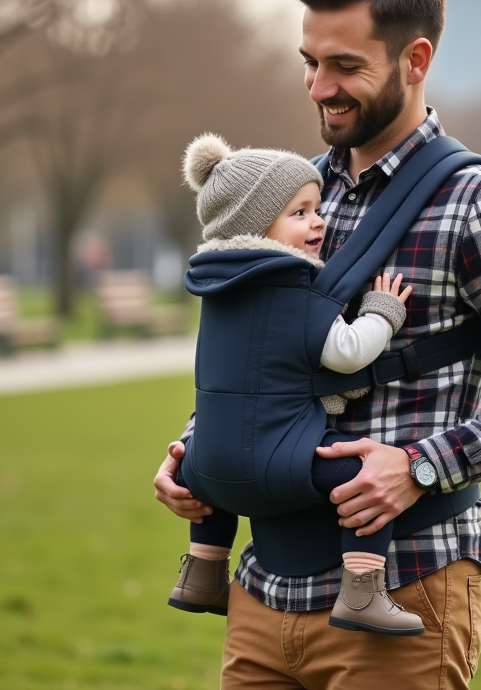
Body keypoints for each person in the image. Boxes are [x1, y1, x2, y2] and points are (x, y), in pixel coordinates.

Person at [153, 0, 481, 688]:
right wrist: (196, 449)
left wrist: (424, 465)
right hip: (261, 594)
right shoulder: (289, 197)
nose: (318, 87)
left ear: (415, 60)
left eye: (344, 66)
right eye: (309, 62)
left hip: (404, 590)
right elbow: (258, 352)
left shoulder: (478, 202)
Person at [168, 132, 425, 636]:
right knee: (362, 478)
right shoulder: (290, 290)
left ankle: (202, 572)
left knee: (213, 487)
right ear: (256, 224)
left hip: (202, 466)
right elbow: (347, 352)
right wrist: (383, 311)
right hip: (275, 460)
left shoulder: (214, 290)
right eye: (301, 213)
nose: (319, 222)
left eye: (317, 209)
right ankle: (363, 591)